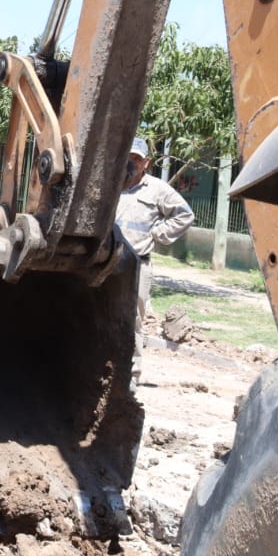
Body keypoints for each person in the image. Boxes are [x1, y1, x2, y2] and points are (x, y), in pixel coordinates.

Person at [115, 136, 195, 381]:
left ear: (146, 163)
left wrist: (158, 233)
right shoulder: (110, 184)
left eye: (136, 159)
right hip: (105, 262)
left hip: (137, 265)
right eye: (128, 157)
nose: (131, 163)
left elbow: (185, 215)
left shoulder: (157, 190)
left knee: (133, 319)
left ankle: (132, 375)